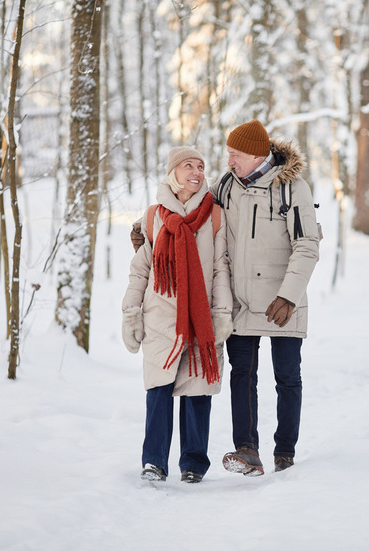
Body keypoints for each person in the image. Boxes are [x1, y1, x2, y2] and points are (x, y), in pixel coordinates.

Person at [132, 121, 321, 476]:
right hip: (240, 301)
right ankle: (247, 449)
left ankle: (285, 453)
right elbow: (186, 208)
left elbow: (307, 244)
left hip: (282, 301)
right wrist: (145, 231)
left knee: (287, 378)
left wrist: (290, 295)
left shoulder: (292, 188)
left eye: (235, 155)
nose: (229, 161)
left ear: (255, 154)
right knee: (242, 375)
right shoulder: (226, 188)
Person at [122, 146, 233, 484]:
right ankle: (154, 461)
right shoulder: (154, 215)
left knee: (197, 389)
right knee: (158, 389)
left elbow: (219, 268)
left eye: (200, 166)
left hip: (200, 315)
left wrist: (222, 312)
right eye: (188, 165)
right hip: (161, 315)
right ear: (173, 173)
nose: (196, 172)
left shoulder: (214, 214)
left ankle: (194, 464)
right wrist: (131, 312)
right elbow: (141, 268)